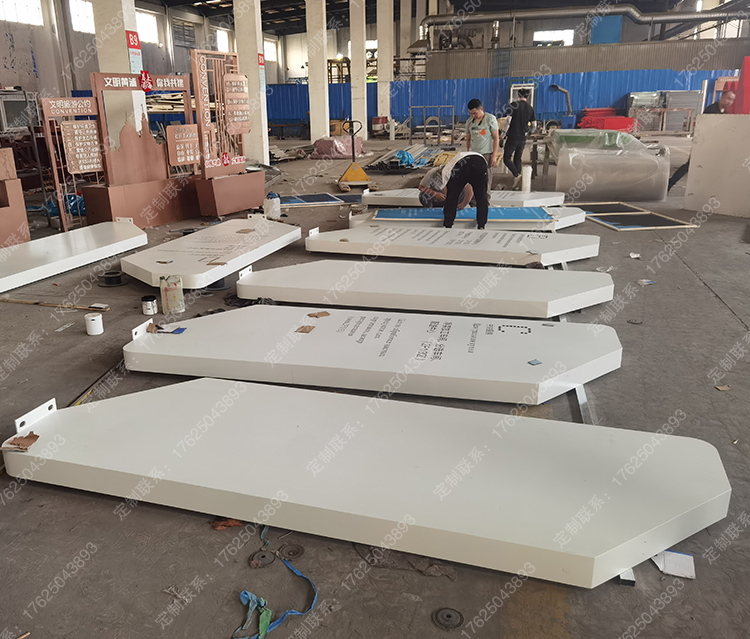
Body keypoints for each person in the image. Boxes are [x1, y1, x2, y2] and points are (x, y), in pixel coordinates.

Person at [668, 89, 736, 191]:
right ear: (722, 97)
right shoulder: (711, 110)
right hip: (703, 144)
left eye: (732, 100)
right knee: (690, 166)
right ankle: (670, 184)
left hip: (713, 147)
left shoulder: (725, 113)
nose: (729, 102)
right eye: (728, 98)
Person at [441, 151, 489, 229]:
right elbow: (470, 189)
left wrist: (448, 201)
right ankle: (481, 225)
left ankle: (448, 224)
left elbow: (449, 193)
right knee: (481, 196)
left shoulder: (445, 172)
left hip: (463, 164)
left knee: (452, 198)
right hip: (480, 162)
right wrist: (464, 203)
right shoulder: (451, 165)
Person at [502, 88, 536, 190]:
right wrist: (529, 133)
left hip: (512, 136)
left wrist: (503, 134)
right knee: (517, 158)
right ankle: (516, 184)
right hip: (522, 137)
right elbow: (534, 125)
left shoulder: (513, 105)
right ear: (528, 97)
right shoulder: (530, 108)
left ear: (518, 95)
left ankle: (517, 175)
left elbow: (508, 121)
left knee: (506, 158)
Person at [465, 99, 499, 187]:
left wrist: (494, 155)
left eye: (475, 113)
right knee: (473, 177)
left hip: (486, 154)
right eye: (471, 113)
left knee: (486, 178)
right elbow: (468, 139)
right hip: (473, 154)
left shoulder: (490, 119)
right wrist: (468, 153)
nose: (473, 116)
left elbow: (496, 138)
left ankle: (486, 195)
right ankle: (474, 196)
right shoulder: (469, 122)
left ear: (481, 109)